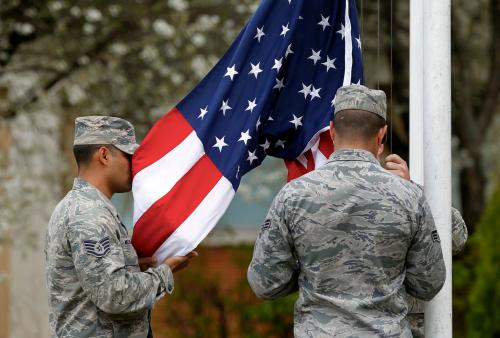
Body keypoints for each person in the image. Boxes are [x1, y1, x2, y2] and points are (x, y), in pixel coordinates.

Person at [247, 84, 446, 337]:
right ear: (382, 135)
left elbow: (265, 283)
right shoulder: (409, 195)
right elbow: (429, 283)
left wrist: (310, 272)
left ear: (331, 131)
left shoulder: (293, 195)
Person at [45, 116, 197, 337]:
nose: (136, 165)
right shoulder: (89, 214)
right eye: (129, 156)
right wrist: (166, 272)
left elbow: (100, 282)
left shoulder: (86, 207)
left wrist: (136, 268)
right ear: (104, 155)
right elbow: (114, 295)